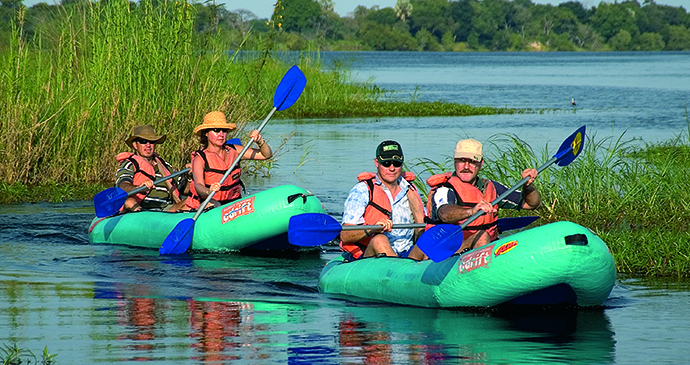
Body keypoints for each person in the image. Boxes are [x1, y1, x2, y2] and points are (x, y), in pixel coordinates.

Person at [426, 138, 541, 253]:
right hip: (451, 250)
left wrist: (528, 186)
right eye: (462, 160)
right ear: (455, 162)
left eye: (472, 161)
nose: (466, 166)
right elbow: (444, 213)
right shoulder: (445, 189)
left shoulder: (491, 188)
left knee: (487, 238)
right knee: (481, 236)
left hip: (487, 248)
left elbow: (531, 204)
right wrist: (471, 211)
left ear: (481, 164)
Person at [340, 140, 427, 260]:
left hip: (407, 254)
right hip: (373, 256)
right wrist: (372, 228)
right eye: (386, 163)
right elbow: (345, 235)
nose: (392, 168)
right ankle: (398, 273)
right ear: (377, 162)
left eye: (396, 163)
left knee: (429, 241)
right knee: (379, 240)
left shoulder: (410, 189)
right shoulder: (362, 190)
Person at [184, 111, 273, 210]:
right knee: (213, 205)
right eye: (216, 130)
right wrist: (208, 191)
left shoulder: (234, 150)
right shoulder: (200, 158)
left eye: (224, 130)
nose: (221, 134)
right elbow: (198, 185)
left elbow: (266, 155)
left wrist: (260, 141)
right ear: (206, 133)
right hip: (212, 203)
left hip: (233, 202)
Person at [115, 124, 187, 213]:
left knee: (189, 203)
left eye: (152, 142)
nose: (148, 145)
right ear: (135, 145)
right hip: (140, 209)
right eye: (143, 141)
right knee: (129, 202)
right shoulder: (130, 164)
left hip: (166, 210)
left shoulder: (165, 166)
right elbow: (122, 186)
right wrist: (138, 187)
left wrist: (192, 176)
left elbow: (184, 189)